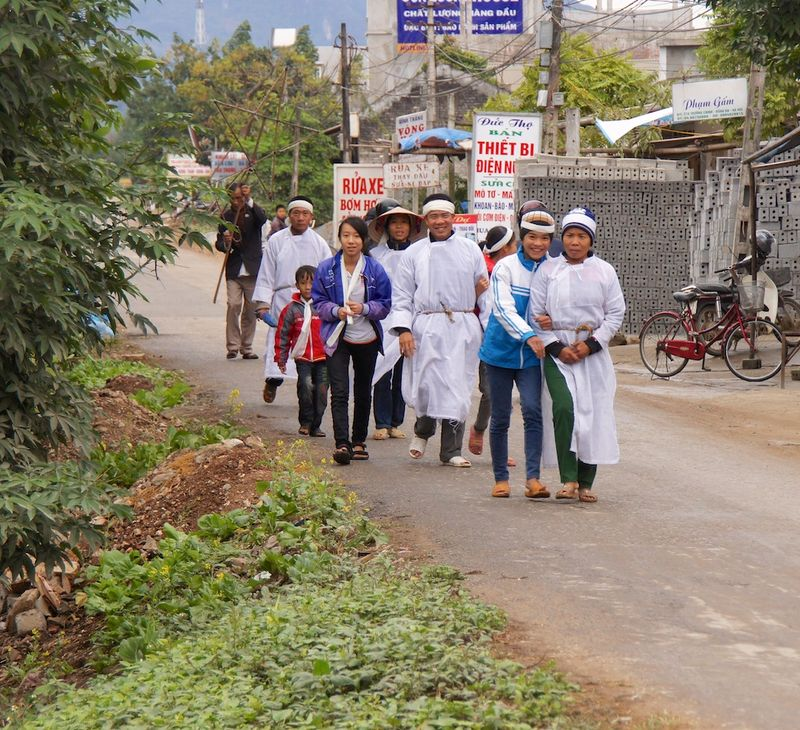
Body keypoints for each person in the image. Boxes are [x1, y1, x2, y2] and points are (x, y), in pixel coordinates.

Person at [529, 207, 626, 503]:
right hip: (558, 354)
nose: (574, 242)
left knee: (592, 413)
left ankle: (586, 481)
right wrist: (558, 347)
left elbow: (615, 313)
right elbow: (536, 314)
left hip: (592, 354)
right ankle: (568, 478)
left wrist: (591, 345)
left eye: (581, 236)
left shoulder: (605, 271)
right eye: (569, 235)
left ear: (590, 240)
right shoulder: (547, 271)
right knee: (565, 409)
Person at [391, 192, 489, 467]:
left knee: (457, 387)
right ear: (426, 220)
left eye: (445, 215)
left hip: (462, 326)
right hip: (427, 326)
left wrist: (488, 329)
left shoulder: (470, 250)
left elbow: (484, 294)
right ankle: (423, 431)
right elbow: (401, 296)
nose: (440, 221)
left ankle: (451, 451)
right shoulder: (414, 252)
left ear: (453, 217)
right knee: (427, 385)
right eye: (434, 216)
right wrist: (404, 330)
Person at [478, 205, 558, 498]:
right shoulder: (505, 267)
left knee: (533, 411)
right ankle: (501, 478)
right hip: (500, 353)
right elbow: (501, 307)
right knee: (500, 416)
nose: (538, 243)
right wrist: (528, 335)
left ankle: (533, 478)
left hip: (531, 358)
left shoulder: (553, 269)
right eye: (532, 237)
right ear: (522, 237)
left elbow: (561, 306)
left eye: (545, 238)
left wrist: (553, 319)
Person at [312, 217, 392, 465]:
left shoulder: (374, 269)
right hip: (337, 337)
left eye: (356, 236)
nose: (351, 241)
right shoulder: (327, 269)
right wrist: (336, 311)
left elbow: (385, 304)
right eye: (346, 235)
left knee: (362, 391)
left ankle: (359, 441)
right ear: (339, 238)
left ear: (363, 239)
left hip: (366, 337)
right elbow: (318, 302)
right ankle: (342, 444)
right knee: (339, 391)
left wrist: (365, 308)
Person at [253, 196, 330, 404]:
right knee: (280, 343)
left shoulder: (319, 243)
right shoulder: (276, 241)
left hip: (311, 302)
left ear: (311, 217)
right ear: (289, 216)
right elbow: (267, 272)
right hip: (283, 300)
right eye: (296, 213)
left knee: (308, 347)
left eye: (305, 213)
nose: (300, 218)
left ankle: (307, 395)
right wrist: (263, 304)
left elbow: (326, 276)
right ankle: (273, 381)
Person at [367, 200, 426, 440]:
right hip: (382, 319)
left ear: (411, 227)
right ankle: (381, 421)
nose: (399, 227)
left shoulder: (420, 255)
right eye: (395, 223)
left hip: (409, 320)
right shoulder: (374, 255)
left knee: (403, 371)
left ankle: (395, 421)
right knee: (382, 371)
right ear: (386, 226)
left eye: (404, 223)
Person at [469, 225, 518, 462]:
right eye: (514, 245)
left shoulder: (516, 272)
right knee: (491, 393)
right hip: (484, 340)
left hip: (510, 341)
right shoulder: (485, 272)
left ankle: (500, 448)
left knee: (504, 398)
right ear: (505, 248)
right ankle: (478, 429)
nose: (517, 249)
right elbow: (485, 310)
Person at [274, 265, 328, 438]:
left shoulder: (324, 307)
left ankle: (316, 425)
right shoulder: (291, 310)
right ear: (297, 285)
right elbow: (283, 335)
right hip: (303, 358)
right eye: (303, 283)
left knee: (321, 391)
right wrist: (281, 359)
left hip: (324, 358)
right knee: (305, 386)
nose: (308, 287)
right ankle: (305, 422)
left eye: (312, 283)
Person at [214, 182, 267, 360]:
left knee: (251, 310)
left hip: (253, 269)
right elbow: (219, 244)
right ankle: (232, 346)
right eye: (233, 198)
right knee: (233, 305)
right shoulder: (225, 216)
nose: (237, 201)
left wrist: (250, 200)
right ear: (229, 198)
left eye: (240, 198)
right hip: (234, 270)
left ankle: (247, 347)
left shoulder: (253, 211)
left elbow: (262, 219)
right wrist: (226, 241)